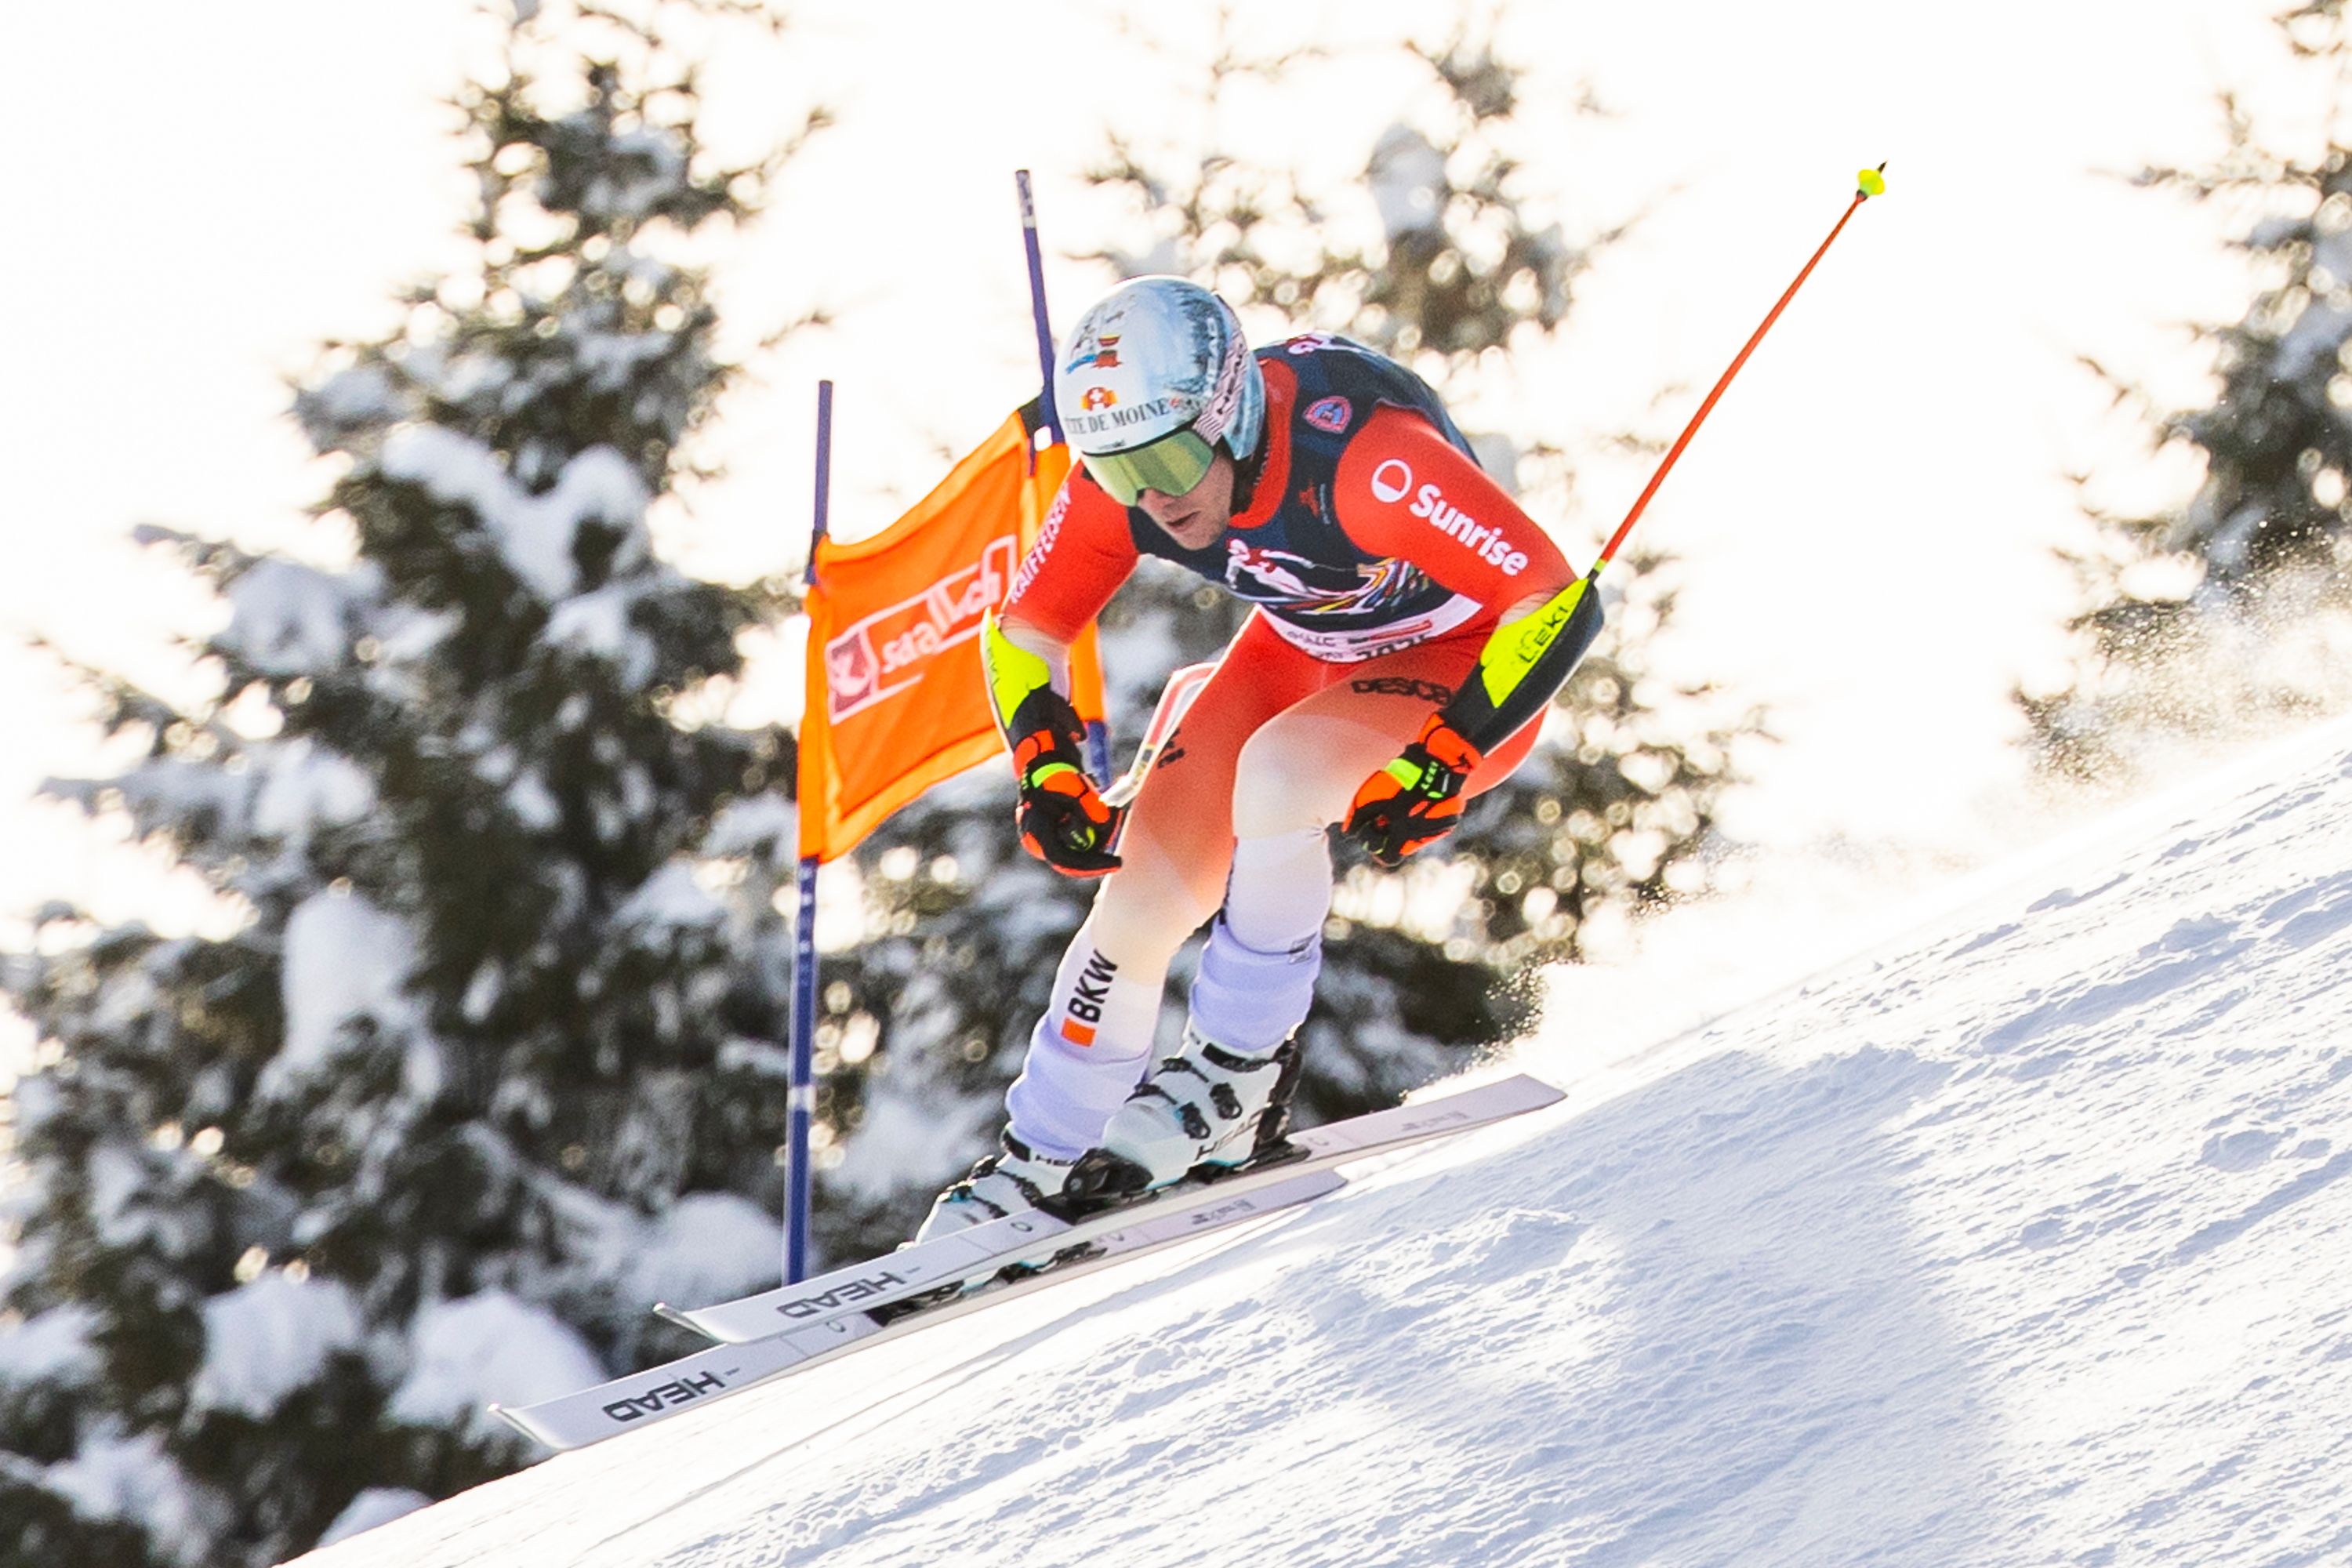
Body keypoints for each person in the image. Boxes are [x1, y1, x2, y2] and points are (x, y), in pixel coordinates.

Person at [919, 275, 1601, 1236]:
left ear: (1231, 409)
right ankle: (1037, 1159)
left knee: (1280, 775)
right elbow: (1025, 627)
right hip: (1302, 649)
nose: (1151, 496)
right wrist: (1045, 763)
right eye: (1117, 470)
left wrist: (1447, 754)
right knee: (1144, 885)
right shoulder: (1131, 480)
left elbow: (1555, 598)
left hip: (1458, 662)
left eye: (1168, 455)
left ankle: (1235, 1076)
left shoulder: (1368, 463)